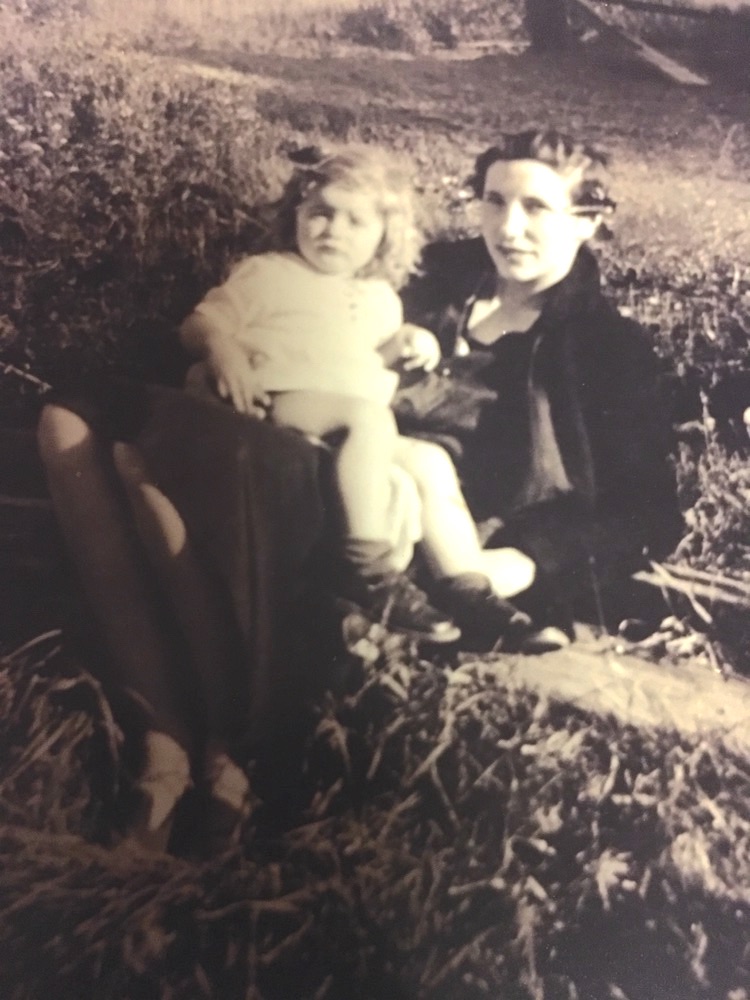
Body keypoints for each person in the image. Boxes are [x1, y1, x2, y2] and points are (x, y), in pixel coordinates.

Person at [394, 128, 683, 648]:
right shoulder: (426, 280)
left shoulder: (604, 347)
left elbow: (647, 511)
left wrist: (525, 560)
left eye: (536, 208)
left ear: (585, 222)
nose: (509, 228)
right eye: (495, 201)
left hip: (467, 553)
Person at [180, 146, 459, 645]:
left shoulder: (380, 299)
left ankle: (465, 583)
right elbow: (200, 324)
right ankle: (369, 570)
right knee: (368, 421)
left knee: (429, 461)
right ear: (297, 214)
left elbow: (367, 360)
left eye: (356, 221)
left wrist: (408, 344)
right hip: (278, 400)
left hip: (340, 418)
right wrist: (222, 349)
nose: (333, 230)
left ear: (383, 237)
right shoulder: (269, 273)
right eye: (321, 212)